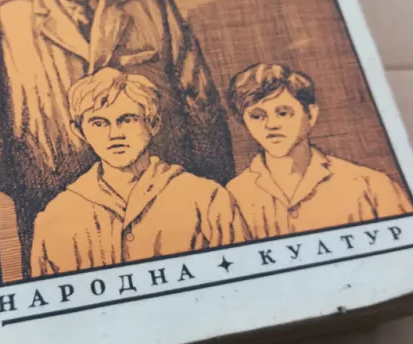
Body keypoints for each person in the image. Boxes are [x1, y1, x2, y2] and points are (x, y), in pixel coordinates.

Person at [0, 0, 235, 277]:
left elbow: (200, 105)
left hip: (165, 208)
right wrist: (32, 187)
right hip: (56, 215)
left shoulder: (152, 7)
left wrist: (207, 189)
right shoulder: (6, 21)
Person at [31, 68, 249, 276]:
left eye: (127, 120)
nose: (115, 134)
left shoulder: (207, 199)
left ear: (153, 124)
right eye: (99, 123)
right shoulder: (54, 218)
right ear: (79, 131)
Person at [226, 63, 413, 238]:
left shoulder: (370, 186)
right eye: (257, 116)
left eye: (283, 113)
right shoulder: (233, 196)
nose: (271, 125)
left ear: (311, 115)